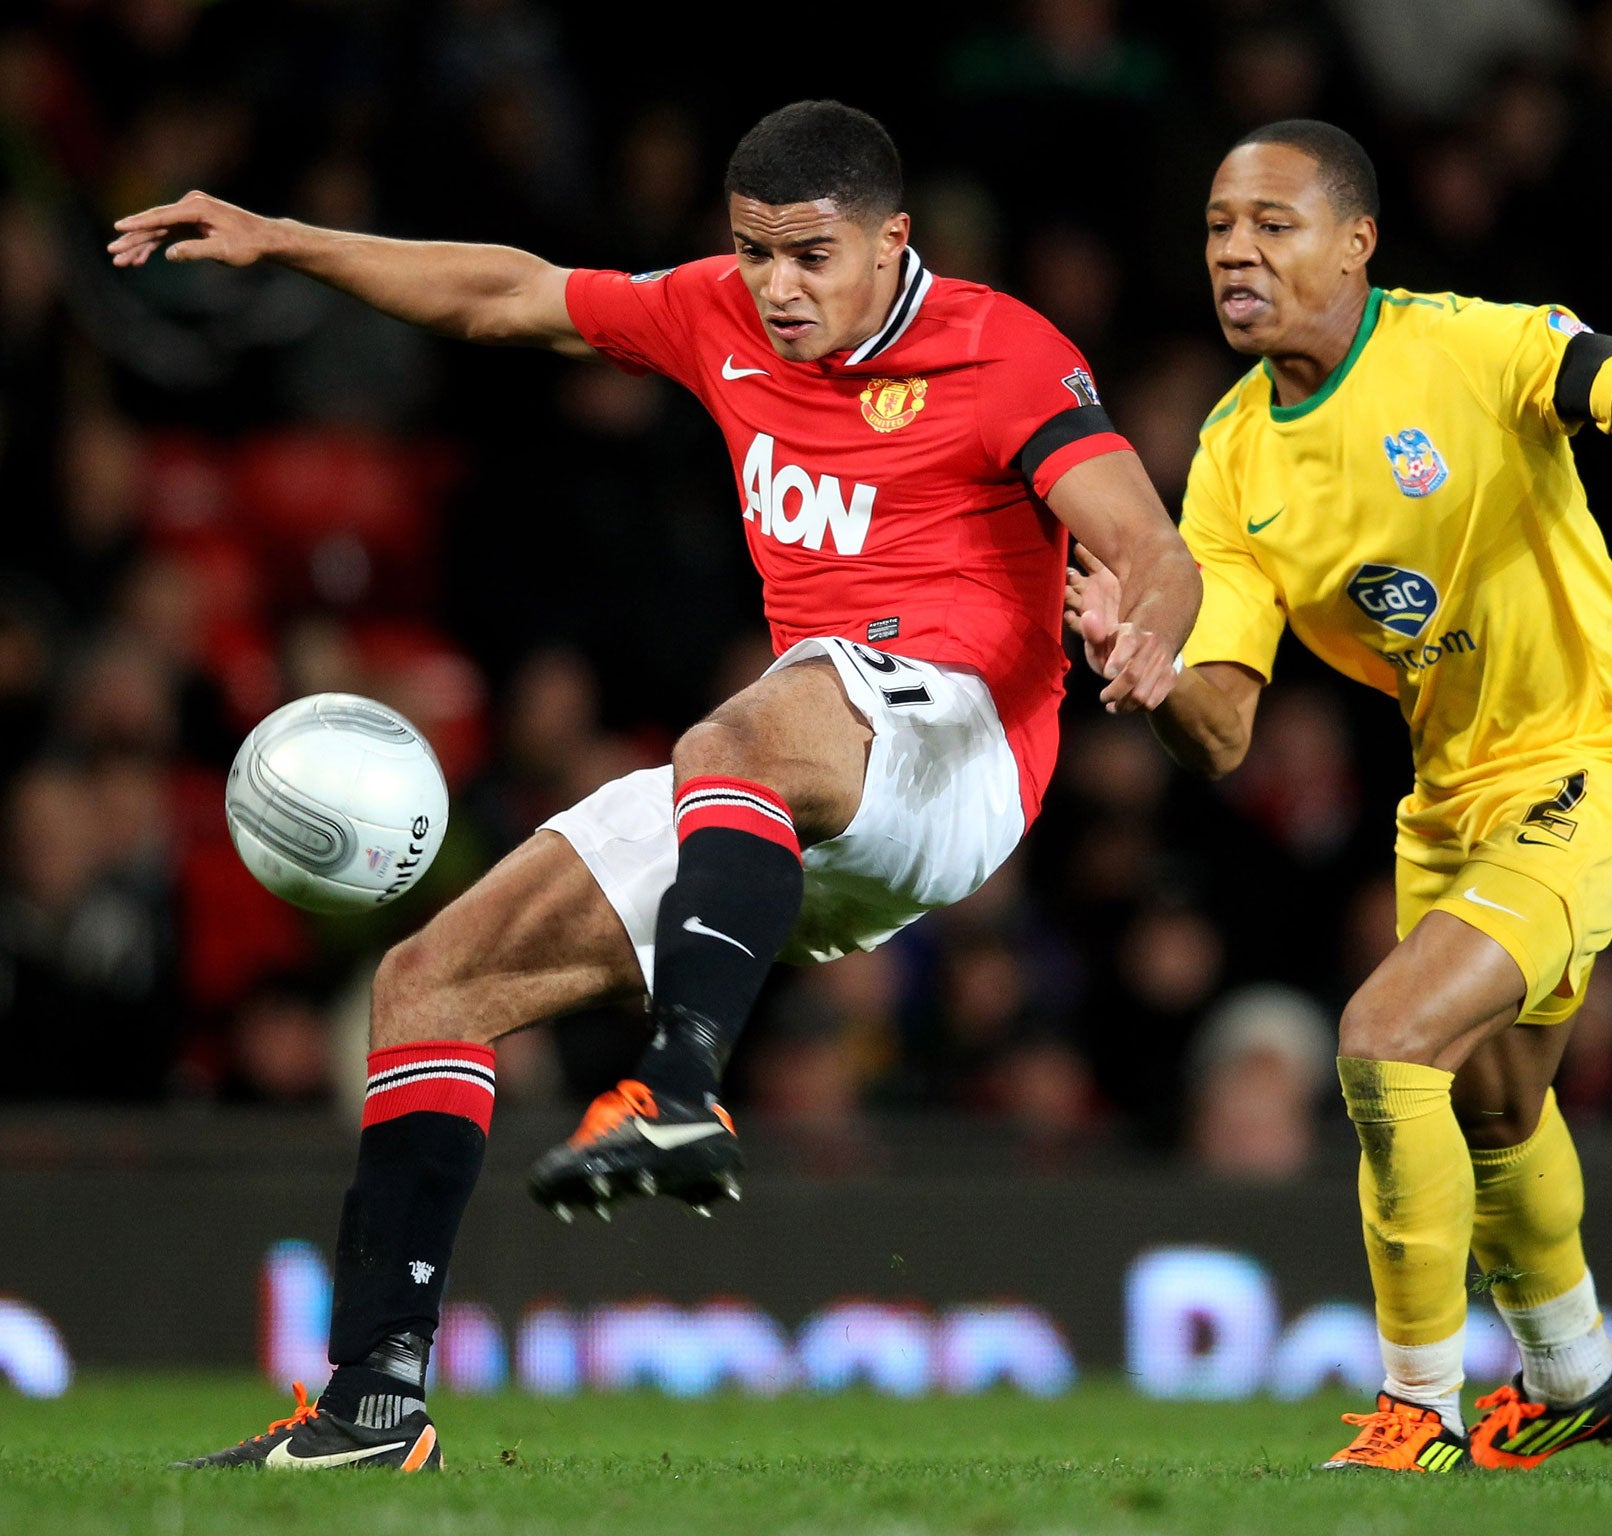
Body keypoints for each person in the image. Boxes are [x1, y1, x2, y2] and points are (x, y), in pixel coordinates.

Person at [111, 99, 1200, 1470]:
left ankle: (678, 1087)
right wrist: (282, 239)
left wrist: (1144, 623)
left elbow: (1145, 538)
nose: (780, 289)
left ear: (893, 242)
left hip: (959, 755)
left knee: (740, 731)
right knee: (430, 984)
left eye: (811, 256)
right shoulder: (718, 313)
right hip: (787, 778)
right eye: (755, 254)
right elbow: (508, 292)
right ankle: (370, 1407)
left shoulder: (1006, 353)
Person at [1068, 119, 1612, 1474]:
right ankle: (1582, 1373)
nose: (1234, 252)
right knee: (1494, 1110)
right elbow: (1225, 727)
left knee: (1381, 1037)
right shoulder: (1235, 455)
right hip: (1456, 802)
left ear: (1358, 242)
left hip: (1606, 755)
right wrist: (1147, 674)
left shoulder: (1462, 346)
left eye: (1271, 224)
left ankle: (1414, 1411)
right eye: (1215, 228)